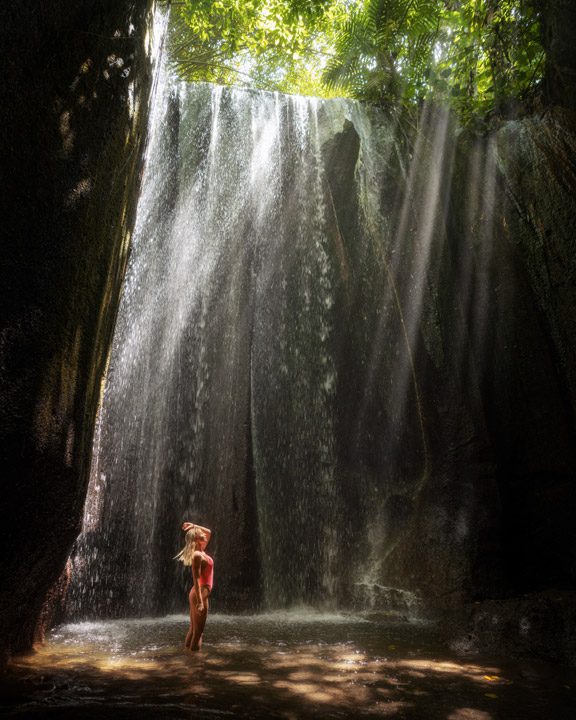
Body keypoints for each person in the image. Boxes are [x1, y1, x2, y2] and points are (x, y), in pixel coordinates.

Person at [174, 521, 214, 651]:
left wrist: (194, 526)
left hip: (197, 593)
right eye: (200, 533)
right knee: (198, 632)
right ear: (196, 539)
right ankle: (195, 664)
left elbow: (209, 531)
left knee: (193, 629)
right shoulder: (197, 555)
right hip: (200, 593)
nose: (204, 534)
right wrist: (201, 602)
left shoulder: (200, 550)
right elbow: (196, 579)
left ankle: (187, 655)